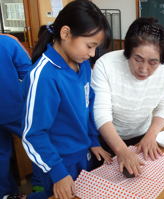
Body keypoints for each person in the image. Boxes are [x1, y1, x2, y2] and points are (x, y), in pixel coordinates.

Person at [21, 1, 112, 198]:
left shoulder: (83, 65)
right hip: (55, 163)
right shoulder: (44, 76)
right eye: (90, 45)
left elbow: (88, 105)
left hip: (82, 155)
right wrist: (58, 173)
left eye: (95, 47)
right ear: (65, 33)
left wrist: (93, 140)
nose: (92, 53)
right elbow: (33, 135)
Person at [91, 17, 164, 177]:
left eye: (153, 62)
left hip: (143, 137)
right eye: (138, 59)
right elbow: (101, 113)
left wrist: (151, 134)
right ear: (127, 50)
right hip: (108, 139)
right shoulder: (106, 65)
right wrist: (121, 150)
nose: (144, 69)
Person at [0, 34, 32, 199]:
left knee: (1, 154)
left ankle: (6, 193)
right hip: (13, 108)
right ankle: (42, 186)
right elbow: (29, 73)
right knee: (36, 144)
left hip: (10, 108)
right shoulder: (7, 41)